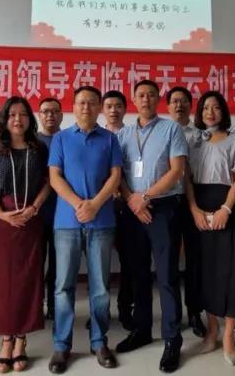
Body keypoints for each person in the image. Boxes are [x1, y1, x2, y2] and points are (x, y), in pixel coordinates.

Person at [47, 86, 123, 374]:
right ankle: (61, 345)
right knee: (63, 287)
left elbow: (115, 176)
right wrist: (80, 204)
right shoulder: (61, 138)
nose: (86, 107)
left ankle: (99, 342)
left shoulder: (110, 139)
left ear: (99, 107)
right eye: (81, 102)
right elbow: (55, 177)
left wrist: (95, 204)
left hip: (101, 222)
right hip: (66, 222)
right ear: (73, 106)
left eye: (92, 103)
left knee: (100, 287)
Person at [115, 80, 188, 373]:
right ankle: (142, 329)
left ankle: (172, 339)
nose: (145, 99)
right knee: (138, 274)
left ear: (159, 99)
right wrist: (133, 200)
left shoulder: (172, 129)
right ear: (134, 100)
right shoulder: (123, 134)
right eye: (141, 95)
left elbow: (177, 171)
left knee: (167, 275)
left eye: (151, 95)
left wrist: (144, 197)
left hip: (163, 208)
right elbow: (117, 174)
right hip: (132, 209)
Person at [0, 97, 52, 373]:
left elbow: (48, 181)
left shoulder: (39, 148)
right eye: (12, 114)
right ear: (5, 118)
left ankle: (22, 339)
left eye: (23, 114)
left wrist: (34, 208)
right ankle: (6, 340)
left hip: (31, 219)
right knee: (2, 281)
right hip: (2, 221)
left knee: (28, 279)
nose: (18, 119)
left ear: (29, 119)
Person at [184, 91, 235, 366]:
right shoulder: (193, 141)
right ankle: (212, 331)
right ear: (200, 113)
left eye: (216, 107)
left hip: (227, 207)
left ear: (223, 112)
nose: (210, 112)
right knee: (205, 271)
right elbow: (186, 179)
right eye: (205, 108)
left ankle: (229, 336)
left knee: (230, 271)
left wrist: (226, 209)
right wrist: (194, 209)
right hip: (199, 207)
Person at [165, 86, 206, 339]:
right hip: (168, 201)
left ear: (191, 106)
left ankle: (195, 312)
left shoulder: (201, 136)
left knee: (195, 261)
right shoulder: (162, 133)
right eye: (174, 101)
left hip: (195, 202)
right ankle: (173, 315)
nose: (179, 105)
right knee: (168, 260)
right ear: (168, 106)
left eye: (183, 101)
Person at [101, 90, 134, 331]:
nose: (114, 110)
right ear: (102, 109)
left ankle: (125, 308)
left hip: (126, 205)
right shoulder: (97, 136)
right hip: (100, 206)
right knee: (99, 261)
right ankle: (99, 311)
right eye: (109, 106)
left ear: (125, 109)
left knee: (128, 260)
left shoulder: (132, 136)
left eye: (118, 106)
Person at [36, 97, 63, 321]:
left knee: (58, 264)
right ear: (39, 115)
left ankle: (55, 306)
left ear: (61, 115)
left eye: (54, 111)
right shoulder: (32, 141)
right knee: (35, 262)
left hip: (63, 211)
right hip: (35, 212)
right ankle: (35, 306)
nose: (50, 115)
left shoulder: (68, 139)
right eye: (45, 111)